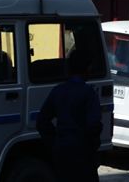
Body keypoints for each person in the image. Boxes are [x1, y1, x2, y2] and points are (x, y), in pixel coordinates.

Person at [36, 49, 102, 182]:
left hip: (62, 151)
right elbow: (93, 126)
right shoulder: (88, 93)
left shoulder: (58, 90)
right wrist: (91, 147)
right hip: (82, 154)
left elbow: (42, 121)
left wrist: (54, 141)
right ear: (87, 69)